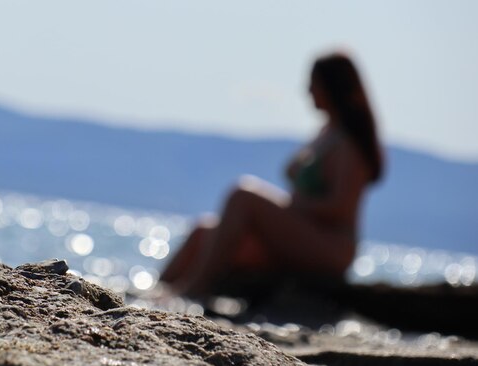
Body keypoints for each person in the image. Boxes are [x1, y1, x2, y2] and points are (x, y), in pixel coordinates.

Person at [161, 52, 384, 299]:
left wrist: (289, 207)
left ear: (332, 87)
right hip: (303, 236)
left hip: (330, 247)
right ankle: (158, 294)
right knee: (203, 231)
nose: (308, 90)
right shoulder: (325, 132)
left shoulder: (348, 144)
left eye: (314, 83)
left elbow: (339, 208)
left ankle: (196, 289)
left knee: (243, 194)